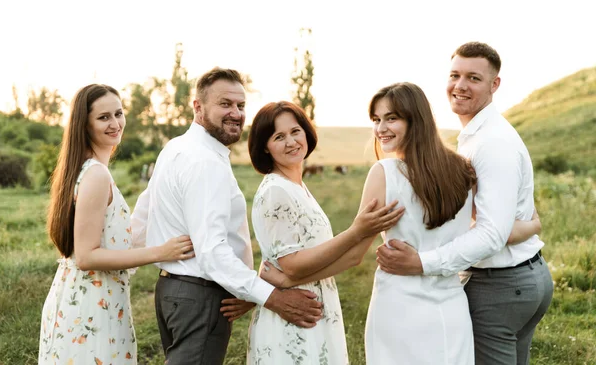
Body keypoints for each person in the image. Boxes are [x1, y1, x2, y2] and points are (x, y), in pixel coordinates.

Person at [130, 68, 333, 365]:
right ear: (198, 107)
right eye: (225, 104)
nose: (236, 113)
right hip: (199, 296)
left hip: (173, 291)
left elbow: (140, 223)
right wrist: (271, 297)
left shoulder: (176, 148)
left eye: (240, 106)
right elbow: (211, 253)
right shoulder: (204, 162)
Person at [376, 42, 553, 365]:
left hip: (501, 286)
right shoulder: (475, 137)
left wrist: (422, 263)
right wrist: (530, 225)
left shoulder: (492, 143)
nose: (460, 86)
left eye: (473, 78)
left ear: (494, 84)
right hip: (520, 279)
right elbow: (502, 221)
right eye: (455, 75)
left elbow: (491, 234)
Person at [38, 84, 194, 365]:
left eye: (118, 113)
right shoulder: (95, 174)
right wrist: (161, 252)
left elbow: (114, 239)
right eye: (103, 117)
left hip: (91, 298)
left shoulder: (90, 169)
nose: (115, 123)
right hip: (90, 305)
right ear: (84, 125)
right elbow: (86, 256)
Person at [244, 101, 404, 364]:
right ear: (265, 146)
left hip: (315, 307)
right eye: (278, 137)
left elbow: (349, 259)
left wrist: (285, 280)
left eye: (295, 131)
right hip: (293, 317)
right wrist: (355, 232)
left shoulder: (296, 187)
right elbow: (292, 266)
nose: (291, 142)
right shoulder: (276, 191)